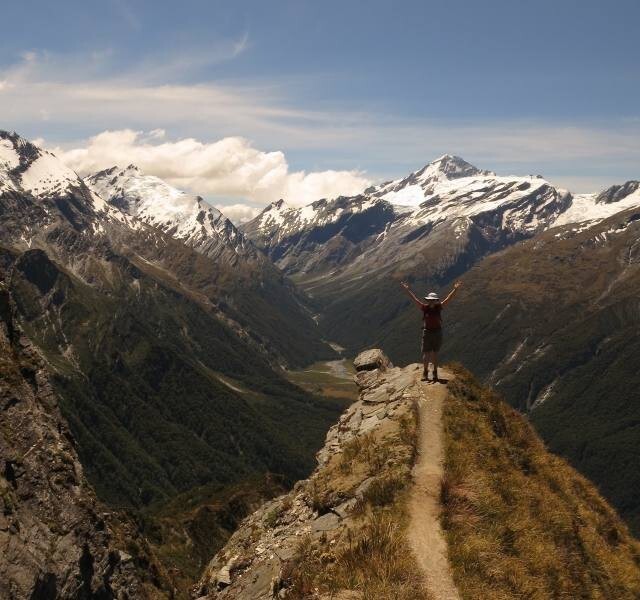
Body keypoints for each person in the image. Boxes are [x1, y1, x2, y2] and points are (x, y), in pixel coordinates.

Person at [400, 280, 462, 382]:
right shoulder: (425, 307)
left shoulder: (438, 307)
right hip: (428, 332)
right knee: (426, 354)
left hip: (437, 332)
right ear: (428, 300)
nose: (431, 301)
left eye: (433, 300)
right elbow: (413, 298)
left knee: (434, 354)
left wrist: (455, 289)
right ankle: (425, 372)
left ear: (435, 300)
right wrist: (407, 290)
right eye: (430, 300)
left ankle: (434, 372)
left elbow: (449, 298)